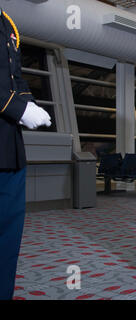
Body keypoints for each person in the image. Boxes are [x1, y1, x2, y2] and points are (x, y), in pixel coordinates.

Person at [0, 9, 51, 300]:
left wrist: (29, 103)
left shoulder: (7, 23)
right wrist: (19, 110)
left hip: (9, 148)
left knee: (8, 237)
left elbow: (14, 78)